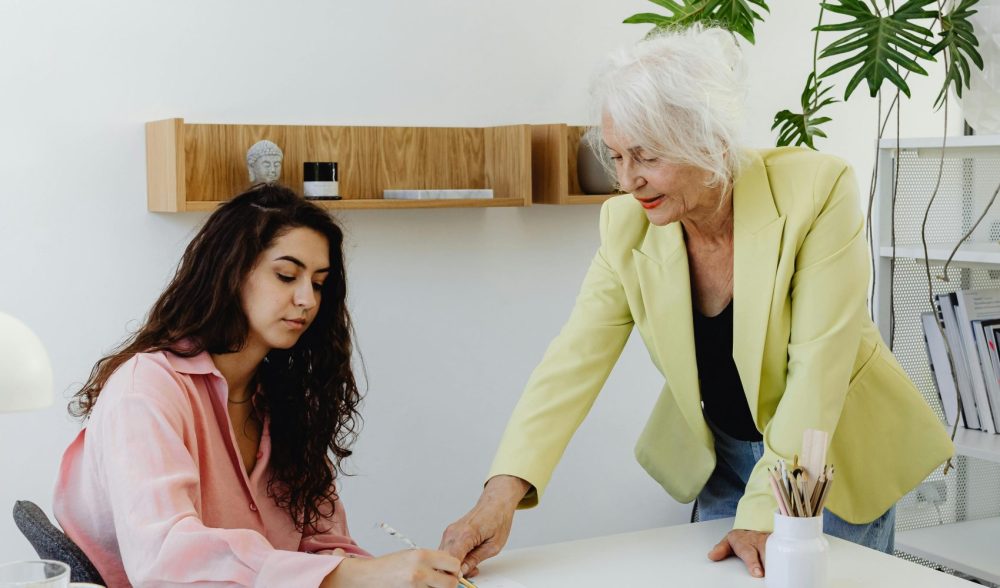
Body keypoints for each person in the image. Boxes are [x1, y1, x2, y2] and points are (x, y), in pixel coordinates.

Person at [440, 26, 953, 579]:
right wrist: (499, 496)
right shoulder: (626, 225)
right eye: (616, 156)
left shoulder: (817, 191)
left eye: (646, 156)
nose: (628, 181)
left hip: (827, 461)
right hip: (724, 460)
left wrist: (764, 511)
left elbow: (819, 371)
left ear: (710, 142)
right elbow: (571, 364)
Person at [55, 184, 462, 588]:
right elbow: (165, 560)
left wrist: (384, 574)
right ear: (231, 272)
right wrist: (349, 575)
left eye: (318, 283)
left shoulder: (284, 399)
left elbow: (322, 543)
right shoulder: (145, 390)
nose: (307, 299)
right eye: (286, 276)